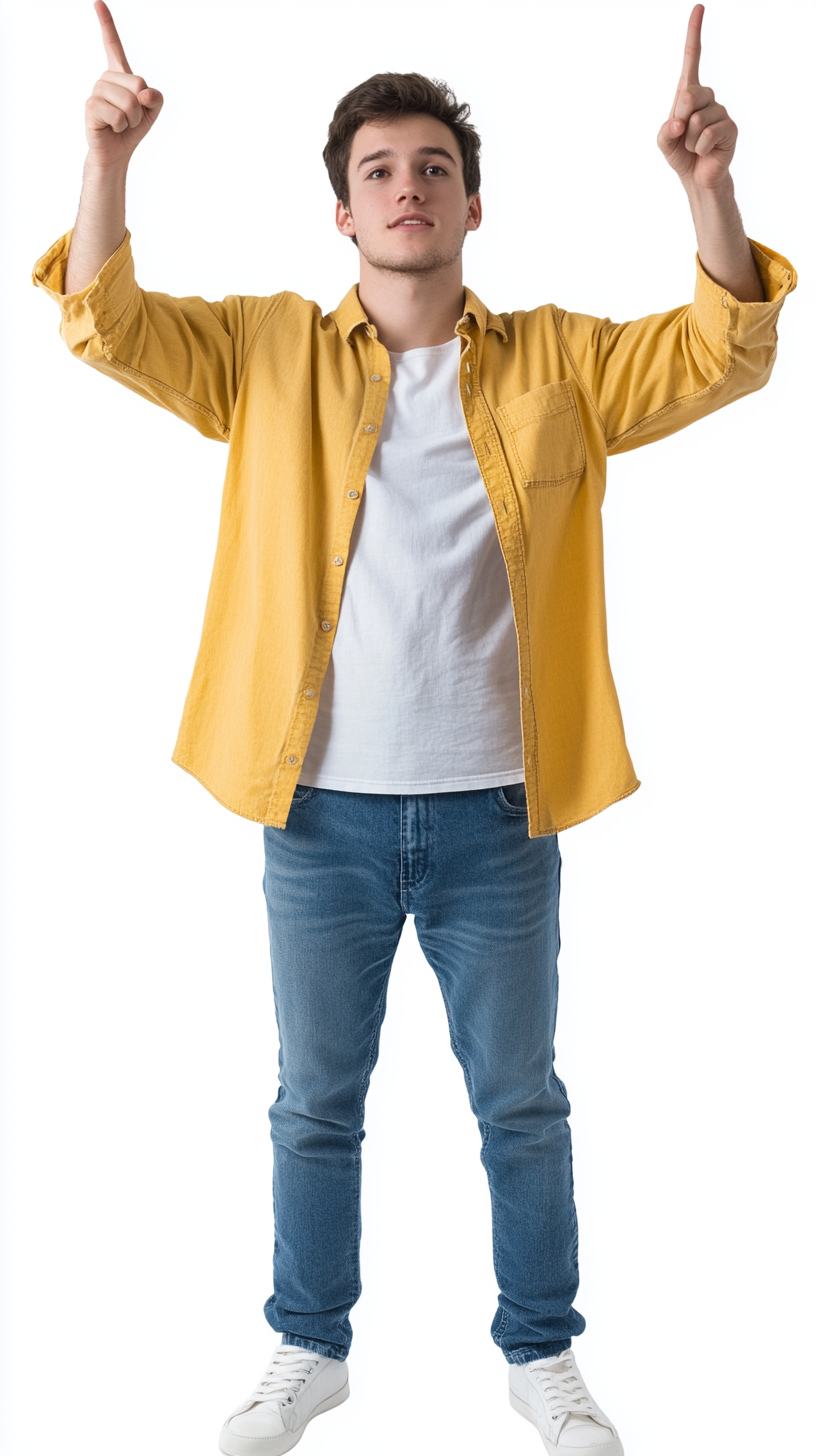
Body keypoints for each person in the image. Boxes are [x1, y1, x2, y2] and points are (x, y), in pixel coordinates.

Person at [32, 2, 796, 1451]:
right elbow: (103, 321)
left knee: (521, 1102)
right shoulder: (264, 354)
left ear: (473, 201)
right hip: (315, 811)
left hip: (500, 813)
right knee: (313, 1103)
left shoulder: (560, 362)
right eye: (379, 168)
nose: (407, 186)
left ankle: (541, 1354)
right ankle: (306, 1348)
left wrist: (707, 187)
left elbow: (724, 350)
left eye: (433, 165)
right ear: (342, 212)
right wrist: (106, 159)